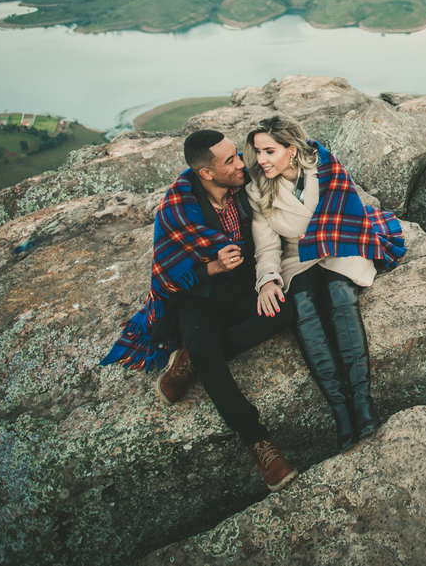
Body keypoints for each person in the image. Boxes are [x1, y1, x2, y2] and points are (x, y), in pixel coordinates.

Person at [100, 129, 299, 493]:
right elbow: (169, 275)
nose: (241, 164)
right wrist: (212, 267)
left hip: (243, 284)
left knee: (284, 313)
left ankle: (193, 357)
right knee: (210, 355)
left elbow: (292, 172)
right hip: (198, 295)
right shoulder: (178, 205)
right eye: (230, 161)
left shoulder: (245, 188)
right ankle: (260, 445)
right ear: (206, 173)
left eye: (238, 155)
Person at [244, 114, 405, 451]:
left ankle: (362, 404)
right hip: (297, 254)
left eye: (269, 151)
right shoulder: (258, 189)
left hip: (339, 242)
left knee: (339, 294)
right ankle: (341, 413)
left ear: (291, 150)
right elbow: (267, 245)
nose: (261, 160)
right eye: (258, 152)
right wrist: (268, 281)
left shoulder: (326, 167)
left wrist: (318, 233)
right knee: (303, 306)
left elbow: (351, 213)